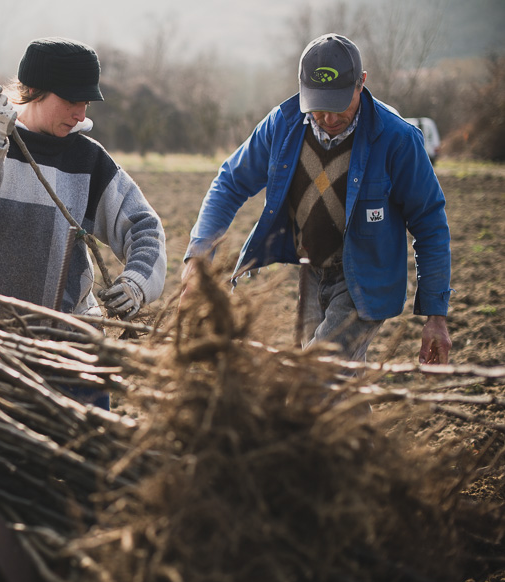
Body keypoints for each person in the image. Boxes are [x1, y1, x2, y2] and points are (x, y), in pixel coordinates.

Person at [181, 33, 452, 367]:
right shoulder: (282, 125)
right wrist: (198, 259)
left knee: (313, 374)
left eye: (339, 104)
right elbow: (230, 182)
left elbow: (430, 223)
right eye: (319, 106)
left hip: (364, 280)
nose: (329, 117)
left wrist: (435, 315)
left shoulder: (397, 139)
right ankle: (359, 422)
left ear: (361, 83)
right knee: (337, 391)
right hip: (311, 274)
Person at [0, 37, 167, 328]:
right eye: (71, 100)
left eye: (85, 103)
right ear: (33, 90)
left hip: (70, 341)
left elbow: (144, 226)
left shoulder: (88, 160)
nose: (81, 114)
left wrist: (137, 283)